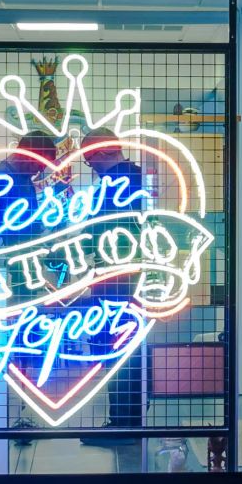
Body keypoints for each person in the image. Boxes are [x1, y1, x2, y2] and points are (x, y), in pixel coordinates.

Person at [78, 131, 148, 455]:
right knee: (125, 349)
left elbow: (98, 229)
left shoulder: (116, 182)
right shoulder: (134, 177)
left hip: (116, 277)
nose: (87, 164)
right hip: (125, 275)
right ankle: (126, 421)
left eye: (89, 157)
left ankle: (122, 424)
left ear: (103, 151)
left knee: (117, 350)